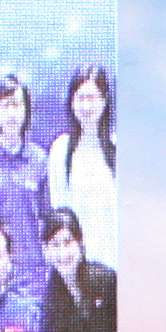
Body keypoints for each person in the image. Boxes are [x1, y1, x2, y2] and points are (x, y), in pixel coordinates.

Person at [0, 69, 54, 264]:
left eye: (17, 106)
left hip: (34, 266)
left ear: (26, 111)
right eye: (5, 106)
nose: (11, 114)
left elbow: (48, 218)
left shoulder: (40, 159)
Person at [38, 208, 116, 332]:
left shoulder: (106, 280)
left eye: (68, 242)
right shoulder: (48, 302)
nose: (63, 252)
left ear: (80, 243)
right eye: (55, 245)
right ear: (46, 250)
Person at [48, 64, 118, 270]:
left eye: (93, 98)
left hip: (115, 263)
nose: (87, 107)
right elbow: (59, 213)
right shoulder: (62, 150)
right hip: (77, 266)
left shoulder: (118, 146)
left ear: (105, 101)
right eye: (81, 98)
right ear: (71, 102)